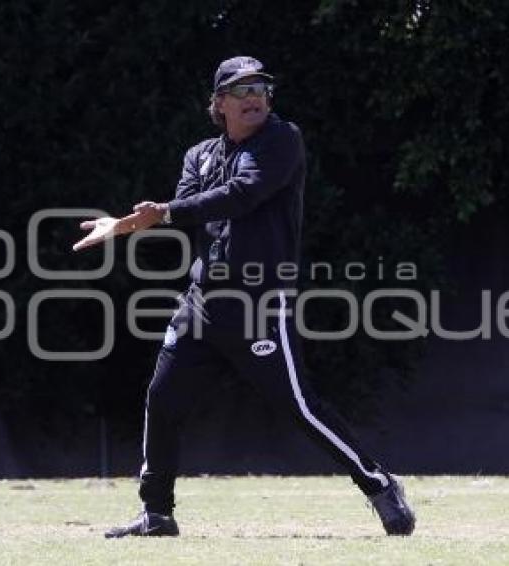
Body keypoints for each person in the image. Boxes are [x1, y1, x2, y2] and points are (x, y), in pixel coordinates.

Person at [83, 56, 415, 538]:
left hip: (261, 302)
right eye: (240, 91)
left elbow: (244, 193)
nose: (255, 97)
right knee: (163, 398)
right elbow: (191, 207)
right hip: (202, 304)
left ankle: (380, 485)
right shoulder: (199, 155)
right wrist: (142, 219)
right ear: (218, 104)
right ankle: (156, 514)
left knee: (299, 408)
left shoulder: (283, 140)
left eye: (260, 88)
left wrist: (160, 215)